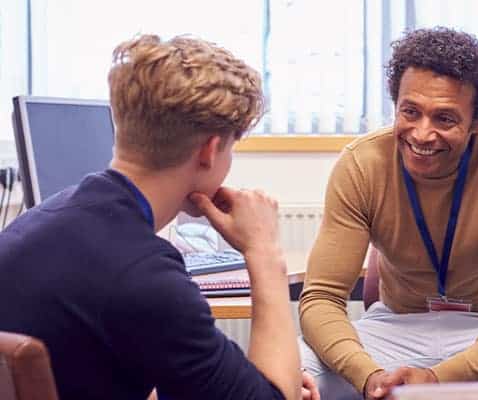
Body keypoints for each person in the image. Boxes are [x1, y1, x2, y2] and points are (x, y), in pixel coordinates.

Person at [0, 34, 318, 400]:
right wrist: (265, 252)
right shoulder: (145, 276)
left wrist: (251, 379)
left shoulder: (42, 220)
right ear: (210, 151)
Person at [298, 27, 478, 400]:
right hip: (395, 329)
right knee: (291, 370)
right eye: (410, 112)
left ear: (477, 123)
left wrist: (437, 378)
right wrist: (368, 375)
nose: (422, 134)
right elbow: (321, 299)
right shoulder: (361, 164)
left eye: (445, 119)